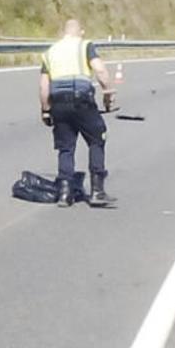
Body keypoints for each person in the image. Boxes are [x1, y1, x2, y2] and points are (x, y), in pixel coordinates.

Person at [39, 19, 116, 207]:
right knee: (97, 138)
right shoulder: (84, 46)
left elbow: (43, 86)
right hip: (81, 99)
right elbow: (100, 70)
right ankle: (97, 191)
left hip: (58, 102)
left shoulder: (50, 52)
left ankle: (65, 193)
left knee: (66, 147)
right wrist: (108, 94)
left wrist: (46, 110)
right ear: (80, 32)